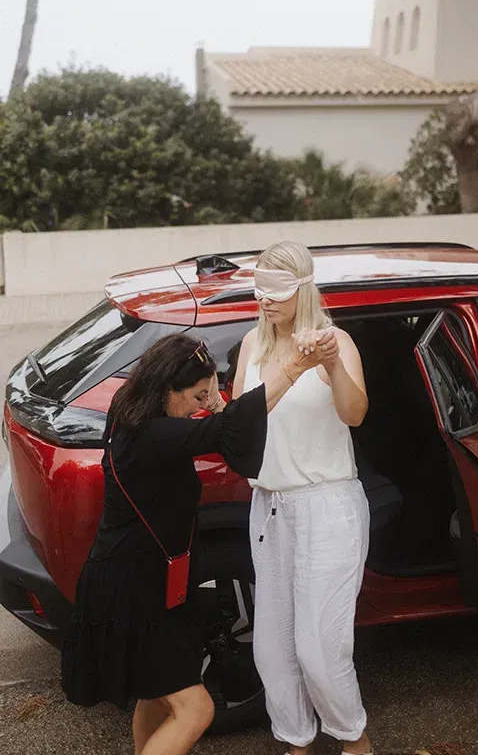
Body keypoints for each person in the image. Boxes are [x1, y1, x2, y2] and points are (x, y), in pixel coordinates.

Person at [61, 332, 329, 755]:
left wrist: (213, 399)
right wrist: (294, 368)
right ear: (169, 387)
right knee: (195, 710)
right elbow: (233, 425)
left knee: (154, 695)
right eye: (196, 396)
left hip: (144, 581)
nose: (198, 407)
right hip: (130, 590)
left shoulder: (129, 409)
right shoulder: (154, 436)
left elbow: (226, 422)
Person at [233, 240, 372, 755]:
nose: (263, 299)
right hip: (269, 508)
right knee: (272, 649)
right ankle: (297, 741)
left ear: (303, 288)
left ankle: (354, 740)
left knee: (320, 646)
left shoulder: (336, 341)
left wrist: (331, 365)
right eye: (258, 288)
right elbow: (241, 424)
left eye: (275, 290)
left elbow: (355, 414)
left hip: (327, 505)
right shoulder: (252, 344)